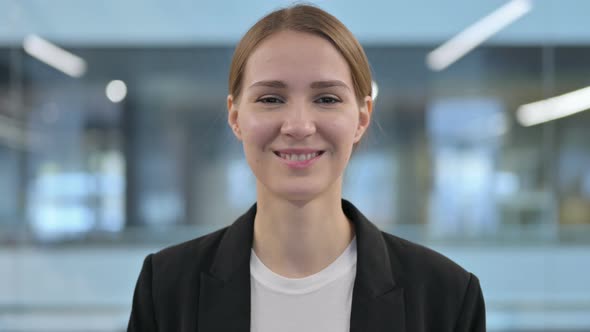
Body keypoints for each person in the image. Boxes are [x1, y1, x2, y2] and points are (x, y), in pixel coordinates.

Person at [127, 4, 486, 332]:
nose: (298, 125)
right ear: (235, 117)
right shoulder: (166, 287)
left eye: (326, 99)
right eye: (271, 99)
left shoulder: (447, 296)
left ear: (362, 118)